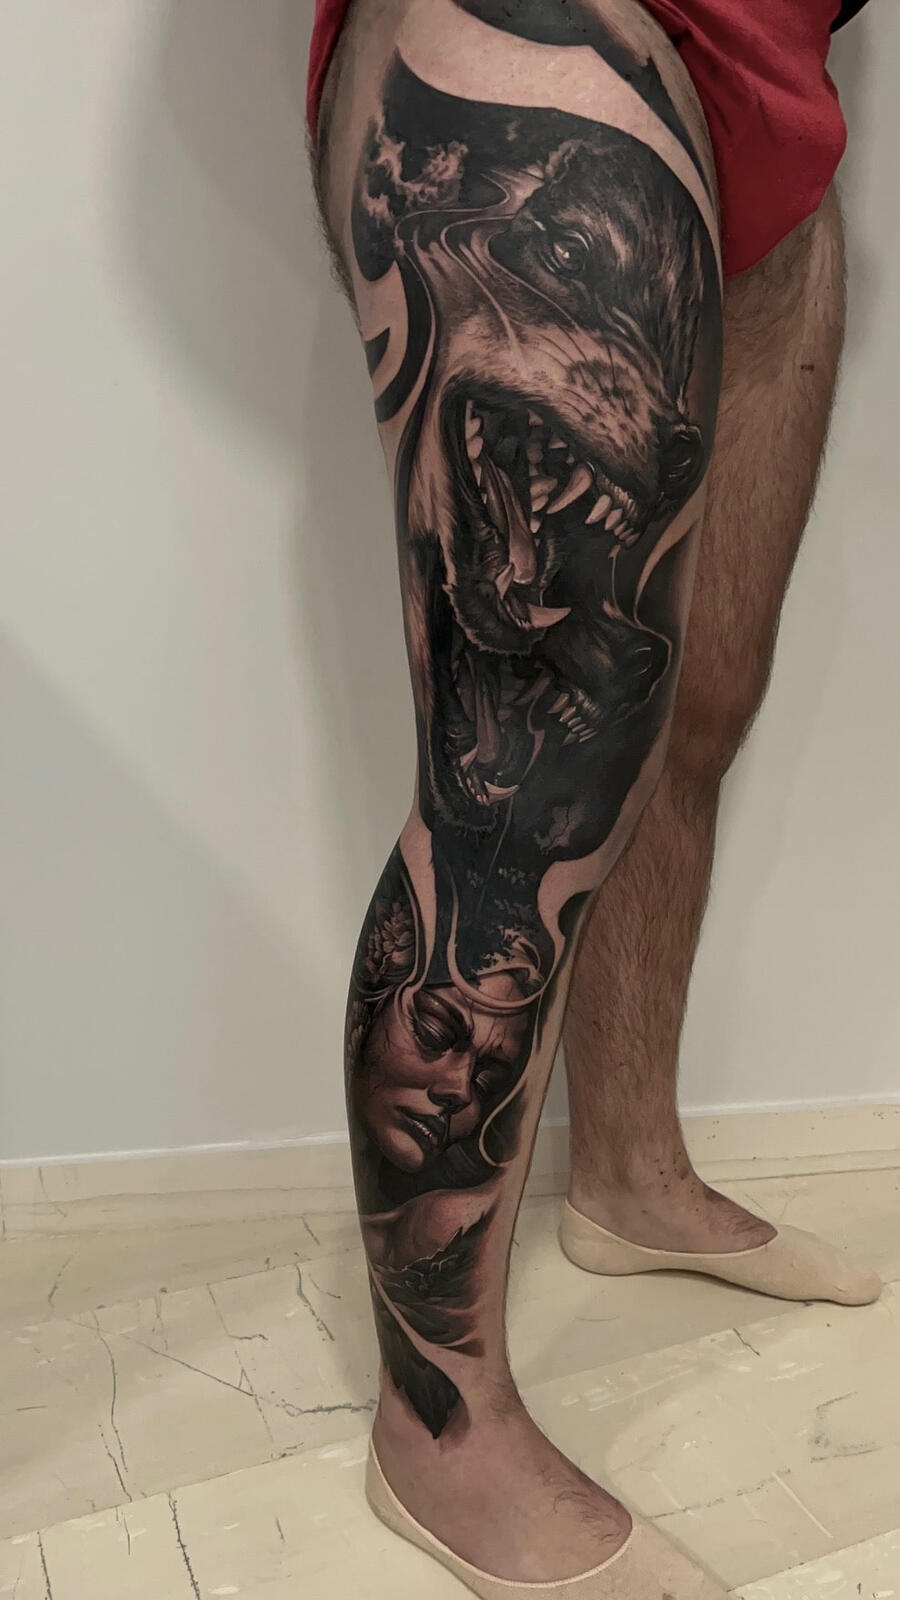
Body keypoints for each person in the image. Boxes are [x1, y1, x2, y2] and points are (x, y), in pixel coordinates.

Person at [307, 2, 882, 1594]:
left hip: (776, 89)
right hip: (542, 47)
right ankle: (438, 1431)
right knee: (520, 768)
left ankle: (631, 1179)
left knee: (692, 701)